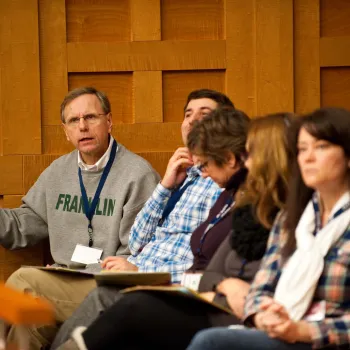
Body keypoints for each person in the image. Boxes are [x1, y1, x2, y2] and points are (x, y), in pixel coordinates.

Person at [55, 111, 294, 350]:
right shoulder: (230, 198)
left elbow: (257, 282)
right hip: (198, 292)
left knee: (130, 305)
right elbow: (141, 243)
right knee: (114, 299)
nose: (203, 173)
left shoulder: (271, 210)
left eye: (250, 154)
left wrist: (218, 288)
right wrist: (165, 187)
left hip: (212, 303)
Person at [50, 90, 235, 349]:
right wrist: (165, 186)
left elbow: (204, 260)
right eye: (188, 114)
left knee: (102, 298)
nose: (193, 121)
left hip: (166, 287)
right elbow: (136, 242)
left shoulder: (221, 185)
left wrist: (142, 273)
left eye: (204, 115)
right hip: (131, 274)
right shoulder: (183, 178)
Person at [0, 86, 160, 349]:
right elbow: (24, 224)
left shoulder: (137, 175)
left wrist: (70, 275)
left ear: (109, 121)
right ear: (65, 131)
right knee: (26, 323)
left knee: (23, 282)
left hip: (108, 286)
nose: (83, 127)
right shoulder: (58, 172)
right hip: (64, 282)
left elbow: (137, 254)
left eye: (91, 117)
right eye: (74, 120)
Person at [187, 107, 350, 350]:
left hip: (326, 340)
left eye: (321, 147)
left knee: (210, 341)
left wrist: (304, 331)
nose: (307, 158)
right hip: (281, 330)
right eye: (303, 149)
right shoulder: (293, 218)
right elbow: (261, 287)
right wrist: (264, 316)